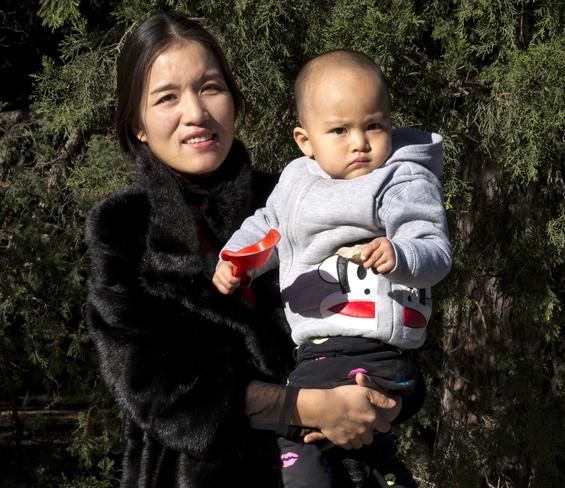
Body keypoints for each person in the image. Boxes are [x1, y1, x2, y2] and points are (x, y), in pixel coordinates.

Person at [85, 13, 417, 487]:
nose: (195, 112)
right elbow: (157, 391)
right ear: (137, 123)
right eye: (166, 98)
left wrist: (386, 394)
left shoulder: (301, 197)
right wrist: (305, 406)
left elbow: (386, 315)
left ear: (234, 101)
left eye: (211, 87)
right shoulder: (123, 226)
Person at [213, 50, 452, 488]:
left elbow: (434, 248)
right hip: (318, 351)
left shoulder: (401, 178)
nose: (359, 142)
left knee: (298, 441)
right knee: (368, 451)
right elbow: (266, 228)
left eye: (373, 125)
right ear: (306, 141)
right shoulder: (296, 183)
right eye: (340, 130)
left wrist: (400, 254)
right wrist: (236, 261)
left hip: (378, 354)